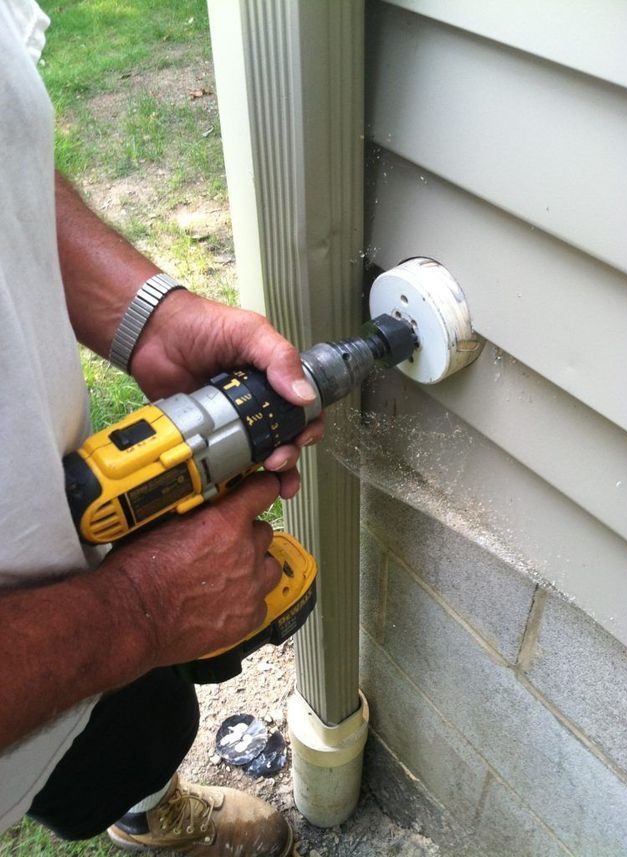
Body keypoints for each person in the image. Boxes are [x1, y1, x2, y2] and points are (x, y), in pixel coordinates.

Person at [0, 2, 323, 855]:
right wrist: (141, 607)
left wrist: (147, 316)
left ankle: (149, 809)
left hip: (85, 565)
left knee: (140, 729)